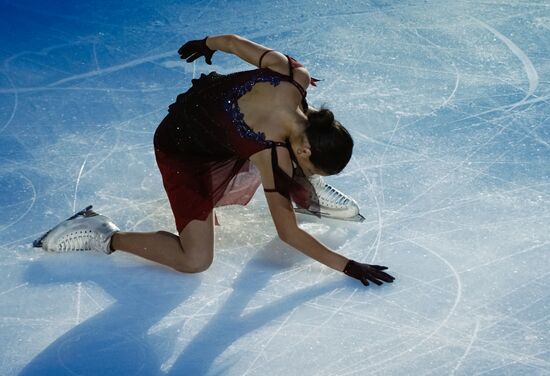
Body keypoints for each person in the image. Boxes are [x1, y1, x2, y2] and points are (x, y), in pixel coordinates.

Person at [35, 34, 394, 287]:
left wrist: (205, 44)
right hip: (182, 150)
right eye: (310, 168)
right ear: (304, 152)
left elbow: (234, 43)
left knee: (287, 158)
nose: (301, 166)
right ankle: (102, 233)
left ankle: (304, 192)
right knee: (195, 260)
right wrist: (347, 266)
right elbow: (288, 234)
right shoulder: (274, 155)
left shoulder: (293, 76)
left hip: (205, 115)